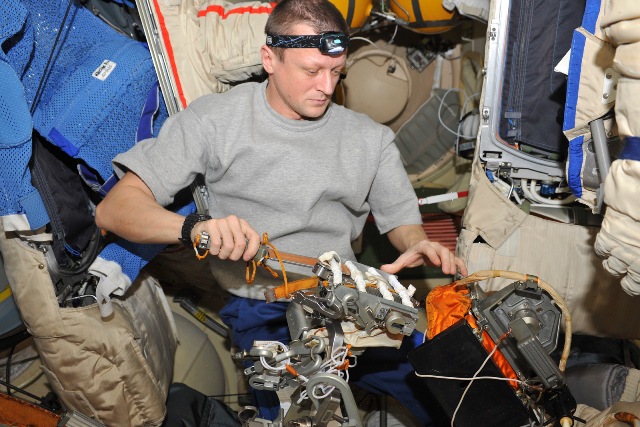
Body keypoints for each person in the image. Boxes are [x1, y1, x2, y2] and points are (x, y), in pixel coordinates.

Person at [95, 0, 467, 423]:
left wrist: (417, 243)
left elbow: (400, 220)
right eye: (312, 71)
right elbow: (115, 210)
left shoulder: (370, 139)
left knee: (458, 385)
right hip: (264, 307)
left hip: (350, 300)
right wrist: (195, 228)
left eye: (336, 72)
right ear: (269, 59)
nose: (326, 86)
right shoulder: (213, 121)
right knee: (300, 414)